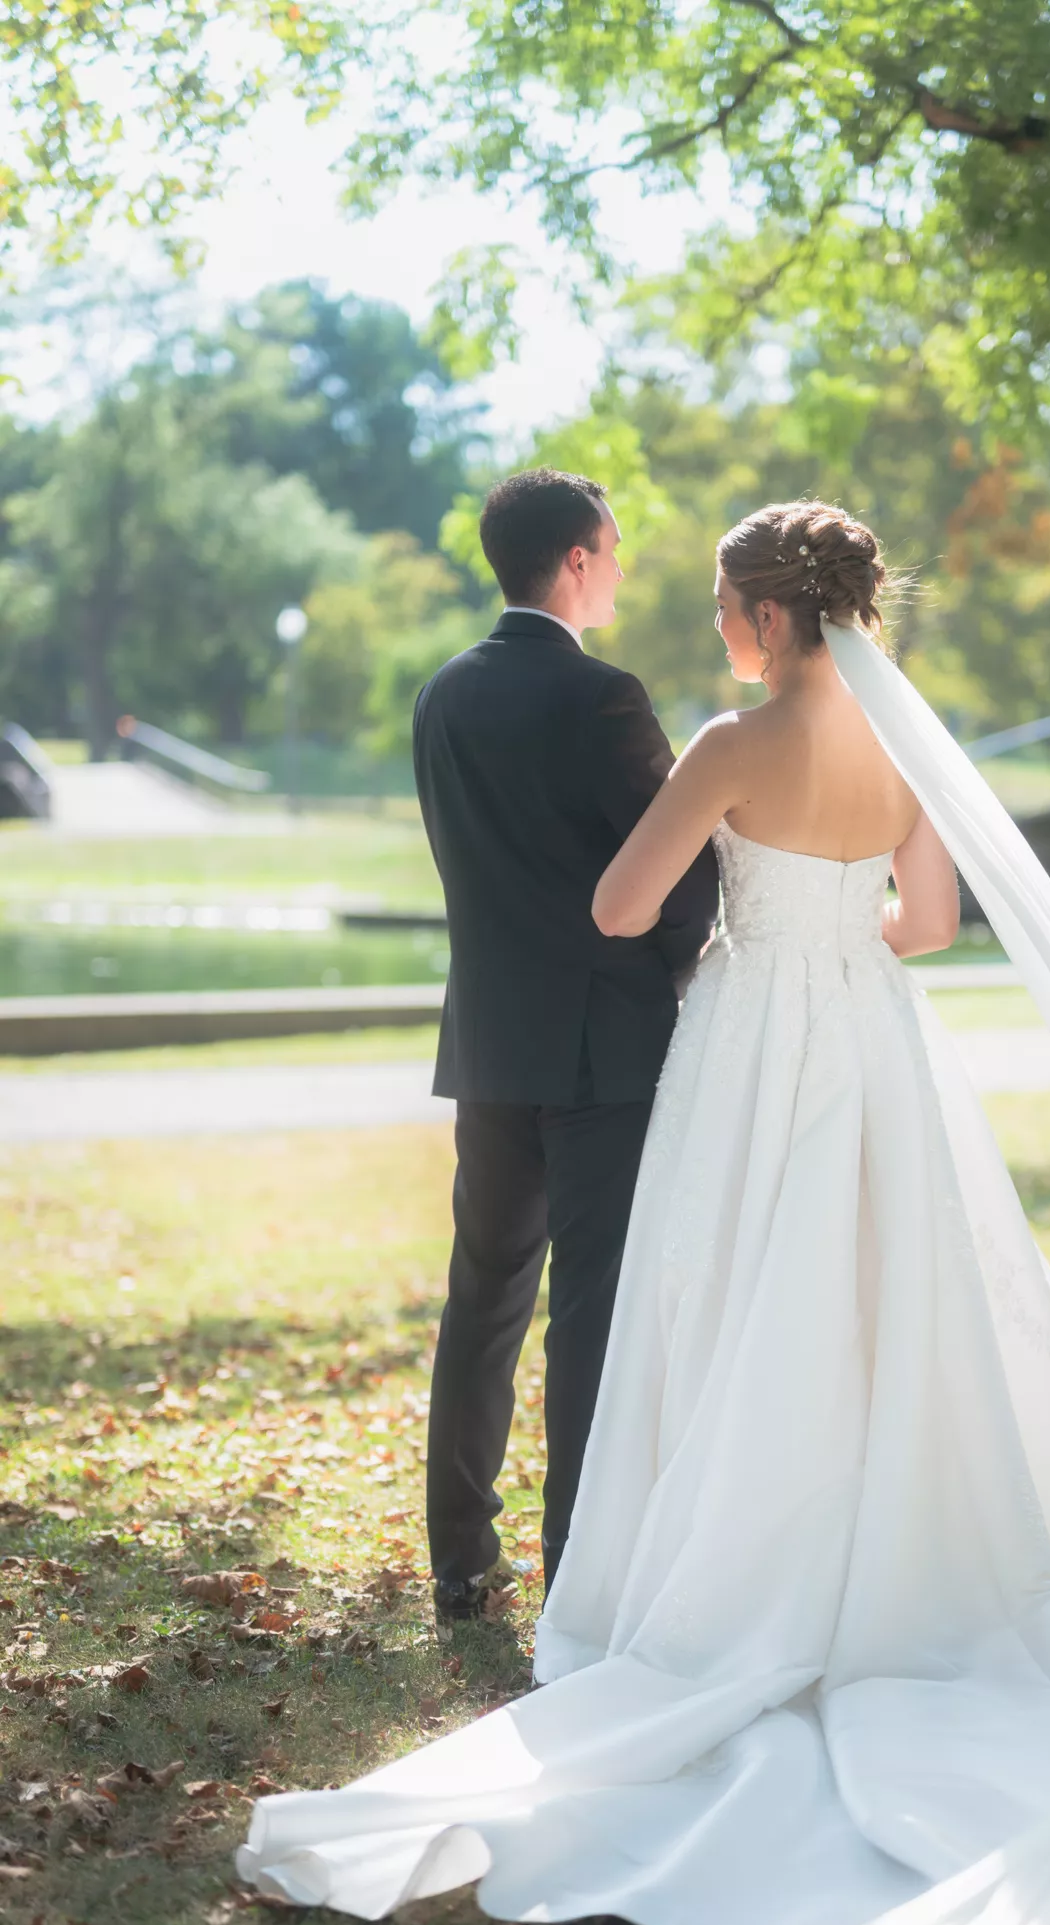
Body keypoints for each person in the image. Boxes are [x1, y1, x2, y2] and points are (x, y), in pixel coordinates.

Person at [241, 500, 1050, 1925]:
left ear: (768, 617)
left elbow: (622, 906)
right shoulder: (907, 744)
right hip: (870, 1040)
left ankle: (709, 1559)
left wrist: (745, 912)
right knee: (893, 1293)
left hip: (744, 1045)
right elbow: (926, 925)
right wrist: (830, 920)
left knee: (720, 1300)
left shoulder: (724, 740)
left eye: (721, 604)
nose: (710, 627)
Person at [411, 468, 718, 1631]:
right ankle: (572, 1568)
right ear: (577, 560)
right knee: (591, 1304)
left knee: (482, 1297)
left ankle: (459, 1564)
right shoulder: (601, 697)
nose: (625, 566)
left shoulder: (443, 694)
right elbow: (678, 871)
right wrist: (701, 950)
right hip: (604, 1046)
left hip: (488, 1040)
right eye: (617, 547)